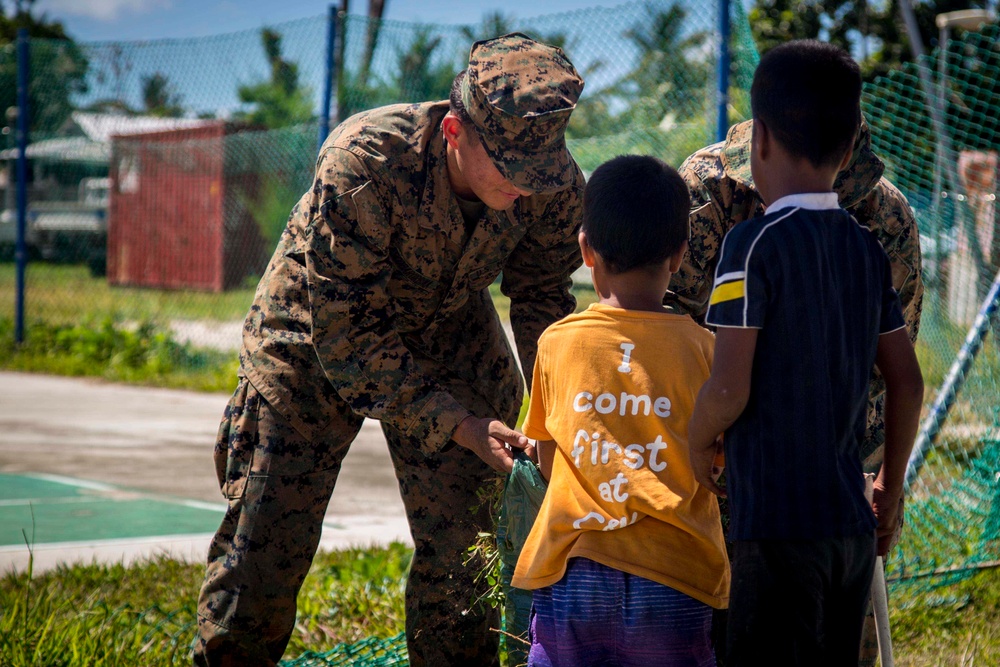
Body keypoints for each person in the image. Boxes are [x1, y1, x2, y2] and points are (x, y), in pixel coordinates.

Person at [194, 33, 587, 667]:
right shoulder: (366, 161)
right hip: (314, 329)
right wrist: (455, 423)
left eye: (539, 169)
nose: (527, 186)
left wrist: (550, 414)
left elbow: (543, 299)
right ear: (455, 131)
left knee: (474, 534)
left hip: (450, 322)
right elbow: (350, 336)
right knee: (267, 536)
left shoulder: (551, 183)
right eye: (511, 167)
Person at [669, 43, 924, 667]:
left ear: (758, 145)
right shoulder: (867, 250)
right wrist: (889, 487)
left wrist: (698, 438)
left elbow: (728, 387)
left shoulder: (749, 246)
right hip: (848, 527)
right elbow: (908, 383)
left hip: (776, 526)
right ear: (845, 156)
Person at [513, 154, 730, 667]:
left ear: (586, 249)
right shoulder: (706, 350)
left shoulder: (557, 344)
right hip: (676, 576)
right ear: (680, 254)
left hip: (575, 572)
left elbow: (547, 459)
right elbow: (718, 460)